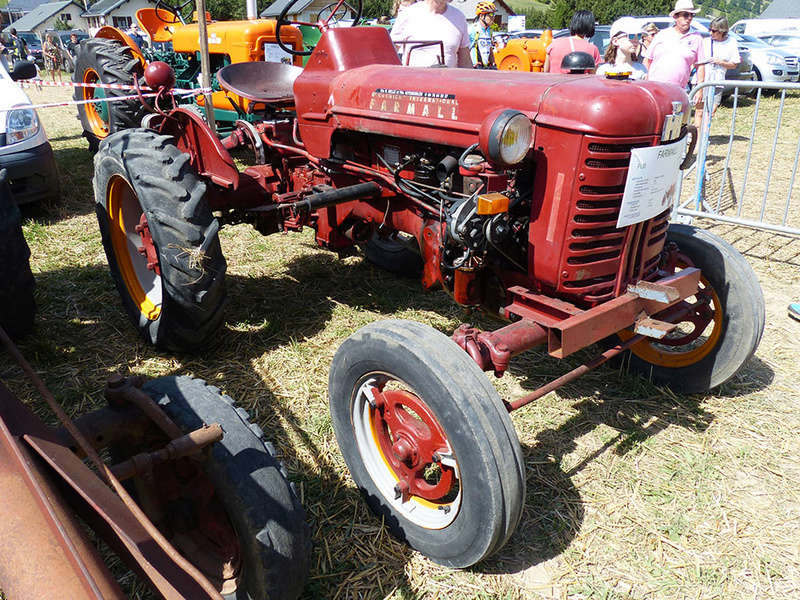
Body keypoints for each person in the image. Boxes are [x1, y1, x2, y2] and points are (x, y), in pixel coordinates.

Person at [643, 0, 705, 93]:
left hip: (679, 90)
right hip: (655, 88)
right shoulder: (662, 34)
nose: (689, 18)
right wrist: (645, 82)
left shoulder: (697, 38)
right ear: (675, 17)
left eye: (692, 15)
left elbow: (700, 65)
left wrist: (700, 89)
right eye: (685, 15)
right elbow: (647, 60)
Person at [390, 0, 471, 68]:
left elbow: (465, 61)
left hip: (447, 84)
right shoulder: (408, 14)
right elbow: (388, 56)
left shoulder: (459, 17)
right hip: (413, 84)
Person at [694, 16, 739, 128]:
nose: (711, 33)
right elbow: (696, 62)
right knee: (699, 111)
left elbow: (734, 64)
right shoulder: (705, 42)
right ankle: (696, 138)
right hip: (703, 80)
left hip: (718, 81)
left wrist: (720, 62)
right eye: (710, 29)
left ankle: (704, 136)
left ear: (722, 31)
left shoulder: (731, 42)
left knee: (711, 112)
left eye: (714, 31)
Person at [470, 1, 496, 68]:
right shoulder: (472, 30)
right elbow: (465, 49)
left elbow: (489, 48)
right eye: (490, 14)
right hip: (474, 67)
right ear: (481, 16)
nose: (493, 17)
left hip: (485, 67)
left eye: (494, 14)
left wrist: (493, 63)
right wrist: (473, 63)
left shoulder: (489, 31)